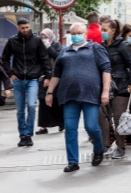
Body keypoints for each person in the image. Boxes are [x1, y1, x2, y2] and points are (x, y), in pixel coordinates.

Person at [45, 23, 112, 172]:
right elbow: (56, 74)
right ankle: (73, 161)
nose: (76, 35)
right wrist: (49, 92)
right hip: (69, 96)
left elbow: (106, 70)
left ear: (85, 34)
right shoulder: (64, 52)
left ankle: (98, 148)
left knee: (91, 127)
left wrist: (105, 91)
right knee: (70, 129)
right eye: (73, 33)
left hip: (90, 95)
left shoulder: (95, 48)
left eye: (79, 32)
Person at [1, 18, 52, 147]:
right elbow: (4, 58)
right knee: (20, 110)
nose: (25, 30)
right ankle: (22, 135)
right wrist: (10, 73)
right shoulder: (12, 41)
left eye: (27, 27)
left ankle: (28, 134)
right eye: (23, 28)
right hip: (18, 79)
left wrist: (47, 76)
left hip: (32, 79)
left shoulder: (36, 40)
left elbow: (44, 58)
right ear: (18, 28)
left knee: (31, 106)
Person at [99, 19, 131, 160]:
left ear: (113, 31)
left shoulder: (122, 45)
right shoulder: (101, 46)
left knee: (118, 118)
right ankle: (105, 145)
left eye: (105, 30)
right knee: (102, 115)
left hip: (121, 86)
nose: (102, 32)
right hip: (106, 86)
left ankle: (121, 147)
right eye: (101, 29)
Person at [36, 28, 65, 135]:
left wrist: (48, 47)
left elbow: (59, 57)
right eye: (42, 38)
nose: (44, 40)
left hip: (56, 76)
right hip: (43, 76)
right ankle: (43, 126)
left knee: (57, 100)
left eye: (46, 37)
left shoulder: (56, 45)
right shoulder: (39, 47)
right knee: (43, 101)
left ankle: (61, 122)